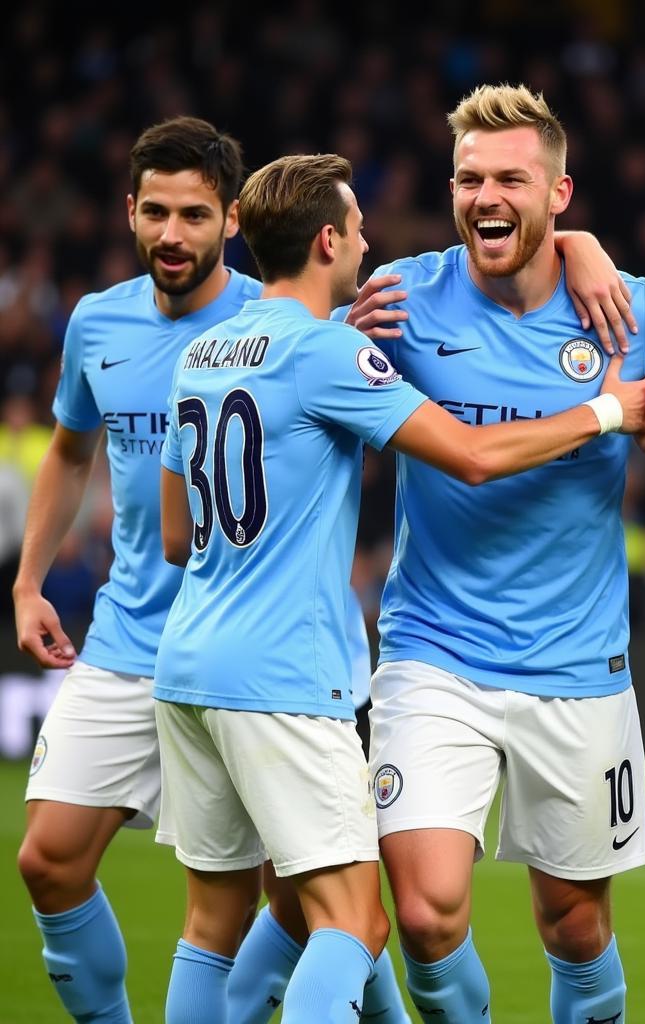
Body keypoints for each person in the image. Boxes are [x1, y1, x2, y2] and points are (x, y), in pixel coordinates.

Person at [153, 151, 645, 1024]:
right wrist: (609, 412)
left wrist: (578, 244)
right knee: (355, 922)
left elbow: (174, 535)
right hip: (285, 672)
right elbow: (468, 456)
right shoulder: (333, 354)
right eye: (357, 230)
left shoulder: (202, 348)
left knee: (220, 918)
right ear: (326, 240)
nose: (370, 247)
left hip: (190, 662)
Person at [337, 84, 645, 1023]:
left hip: (577, 665)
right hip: (436, 652)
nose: (484, 196)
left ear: (559, 195)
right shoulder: (400, 301)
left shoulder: (627, 312)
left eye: (510, 176)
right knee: (427, 915)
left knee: (575, 926)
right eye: (468, 178)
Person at [11, 115, 411, 1024]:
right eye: (155, 212)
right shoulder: (97, 322)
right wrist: (32, 581)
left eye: (194, 215)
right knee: (51, 860)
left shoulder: (290, 312)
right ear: (129, 212)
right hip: (137, 636)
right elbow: (72, 451)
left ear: (233, 220)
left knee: (295, 900)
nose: (171, 235)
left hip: (246, 643)